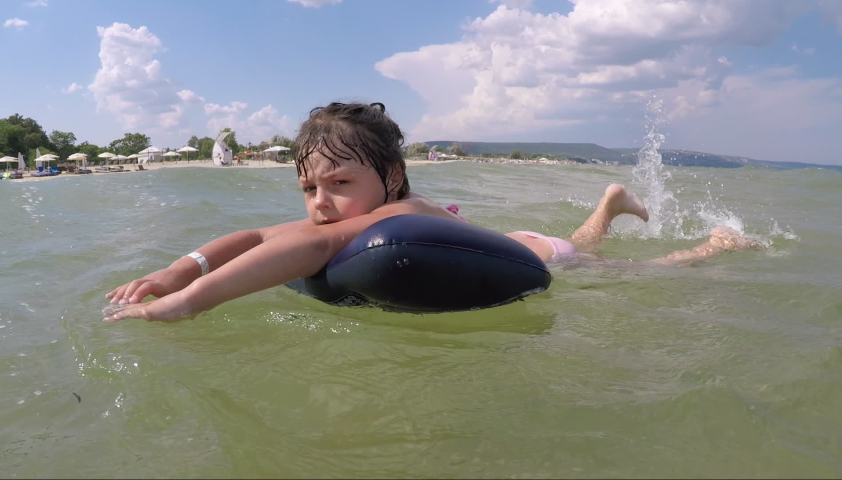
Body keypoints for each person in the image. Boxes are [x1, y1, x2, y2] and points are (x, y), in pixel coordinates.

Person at [103, 102, 761, 323]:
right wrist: (174, 270)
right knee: (586, 242)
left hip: (536, 257)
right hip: (518, 236)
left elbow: (300, 250)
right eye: (308, 188)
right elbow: (254, 234)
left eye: (338, 181)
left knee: (619, 271)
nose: (319, 202)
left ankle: (714, 246)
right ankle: (609, 204)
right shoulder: (352, 215)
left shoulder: (403, 211)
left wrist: (188, 303)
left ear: (390, 179)